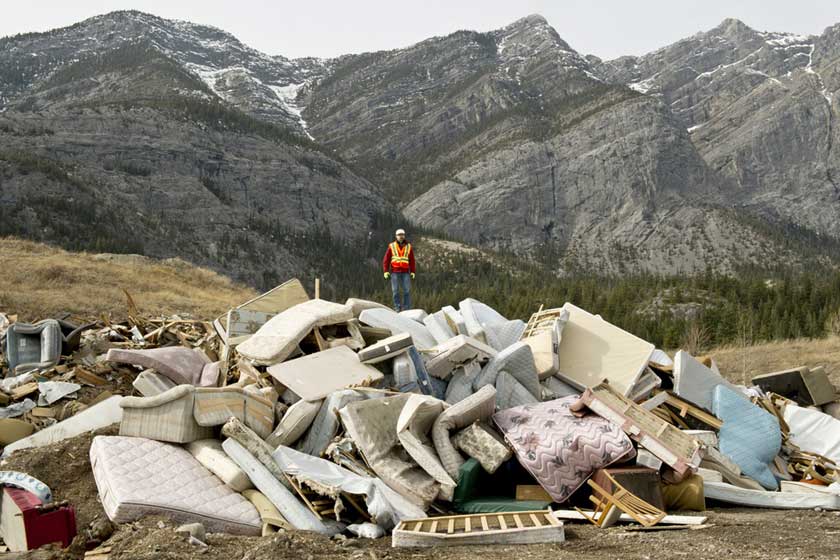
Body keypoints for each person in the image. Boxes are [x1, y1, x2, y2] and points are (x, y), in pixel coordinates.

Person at [382, 228, 416, 312]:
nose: (401, 236)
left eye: (402, 235)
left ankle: (406, 308)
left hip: (406, 272)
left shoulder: (408, 246)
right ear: (396, 236)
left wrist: (413, 271)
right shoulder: (392, 246)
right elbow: (386, 259)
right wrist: (386, 271)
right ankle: (397, 307)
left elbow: (412, 260)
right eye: (399, 235)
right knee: (395, 291)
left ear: (404, 236)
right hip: (395, 272)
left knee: (406, 291)